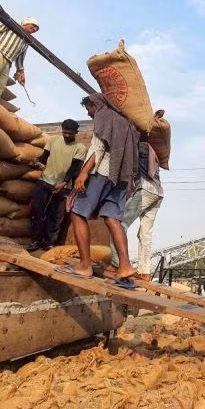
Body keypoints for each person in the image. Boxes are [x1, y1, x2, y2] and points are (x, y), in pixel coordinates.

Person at [57, 94, 139, 289]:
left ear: (95, 104)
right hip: (122, 177)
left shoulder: (104, 117)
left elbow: (98, 147)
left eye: (88, 109)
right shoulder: (125, 123)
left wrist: (83, 173)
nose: (89, 113)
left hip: (102, 172)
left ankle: (85, 266)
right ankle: (125, 266)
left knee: (77, 213)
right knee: (112, 219)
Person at [27, 119, 86, 251]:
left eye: (70, 134)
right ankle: (35, 241)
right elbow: (44, 156)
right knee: (37, 211)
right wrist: (36, 161)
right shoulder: (53, 140)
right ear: (61, 130)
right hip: (45, 181)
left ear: (76, 133)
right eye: (65, 132)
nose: (67, 136)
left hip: (63, 187)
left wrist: (64, 182)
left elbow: (74, 169)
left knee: (55, 216)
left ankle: (48, 243)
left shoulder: (80, 148)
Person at [110, 141, 163, 281]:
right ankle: (144, 271)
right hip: (158, 193)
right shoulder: (153, 150)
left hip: (145, 190)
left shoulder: (140, 147)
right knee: (145, 234)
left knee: (119, 224)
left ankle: (117, 264)